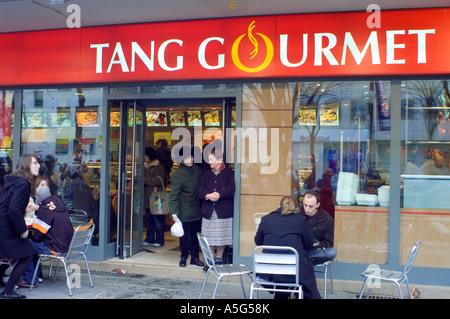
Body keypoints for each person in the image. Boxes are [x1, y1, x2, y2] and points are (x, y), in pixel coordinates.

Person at [254, 196, 322, 299]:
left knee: (284, 271)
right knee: (305, 266)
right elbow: (308, 244)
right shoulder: (300, 220)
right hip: (293, 271)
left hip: (269, 271)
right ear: (295, 208)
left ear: (279, 206)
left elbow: (258, 242)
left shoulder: (266, 219)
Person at [0, 154, 40, 299]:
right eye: (34, 163)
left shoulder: (11, 180)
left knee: (23, 254)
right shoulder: (23, 183)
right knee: (27, 254)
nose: (39, 166)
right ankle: (8, 291)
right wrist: (23, 230)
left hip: (4, 224)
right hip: (6, 226)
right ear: (26, 166)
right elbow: (13, 209)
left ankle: (6, 287)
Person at [20, 185, 74, 287]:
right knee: (33, 245)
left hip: (55, 248)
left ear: (38, 199)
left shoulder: (44, 211)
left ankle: (30, 280)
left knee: (27, 245)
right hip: (66, 245)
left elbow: (37, 236)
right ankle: (35, 275)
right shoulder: (60, 203)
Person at [168, 147, 204, 267]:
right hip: (184, 211)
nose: (191, 159)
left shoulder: (197, 170)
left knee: (195, 236)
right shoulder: (178, 174)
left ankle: (195, 258)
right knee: (184, 237)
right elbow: (174, 195)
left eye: (192, 157)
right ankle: (183, 257)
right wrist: (174, 213)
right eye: (188, 157)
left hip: (196, 210)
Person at [198, 148, 235, 265]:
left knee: (222, 237)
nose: (210, 162)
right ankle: (210, 259)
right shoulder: (206, 174)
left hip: (223, 211)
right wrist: (208, 195)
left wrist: (219, 194)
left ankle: (218, 258)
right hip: (208, 211)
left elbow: (231, 188)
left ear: (220, 160)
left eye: (212, 160)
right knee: (208, 238)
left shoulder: (229, 173)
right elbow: (200, 189)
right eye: (209, 160)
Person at [299, 190, 337, 265]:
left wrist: (314, 244)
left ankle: (304, 260)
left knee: (331, 252)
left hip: (314, 250)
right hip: (299, 248)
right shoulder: (297, 214)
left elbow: (328, 243)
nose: (307, 209)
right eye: (305, 205)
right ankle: (306, 260)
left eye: (310, 206)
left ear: (317, 205)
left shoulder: (326, 219)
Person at [143, 147, 166, 247]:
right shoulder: (147, 166)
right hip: (149, 198)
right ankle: (149, 238)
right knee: (149, 219)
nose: (144, 157)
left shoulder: (157, 166)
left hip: (156, 197)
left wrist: (145, 180)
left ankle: (159, 240)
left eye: (145, 155)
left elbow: (159, 180)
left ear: (149, 155)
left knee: (157, 219)